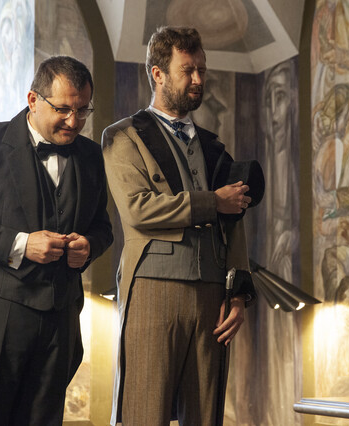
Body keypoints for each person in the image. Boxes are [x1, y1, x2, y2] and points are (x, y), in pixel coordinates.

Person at [0, 56, 113, 425]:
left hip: (61, 320)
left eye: (82, 110)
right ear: (33, 100)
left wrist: (89, 247)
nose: (74, 121)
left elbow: (103, 227)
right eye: (63, 109)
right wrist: (21, 244)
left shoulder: (92, 155)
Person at [102, 26, 256, 426]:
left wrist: (238, 294)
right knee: (145, 413)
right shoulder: (123, 137)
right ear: (158, 74)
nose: (199, 79)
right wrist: (212, 201)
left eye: (202, 69)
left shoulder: (213, 146)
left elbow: (234, 219)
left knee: (206, 416)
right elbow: (138, 210)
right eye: (188, 70)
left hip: (213, 294)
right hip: (153, 288)